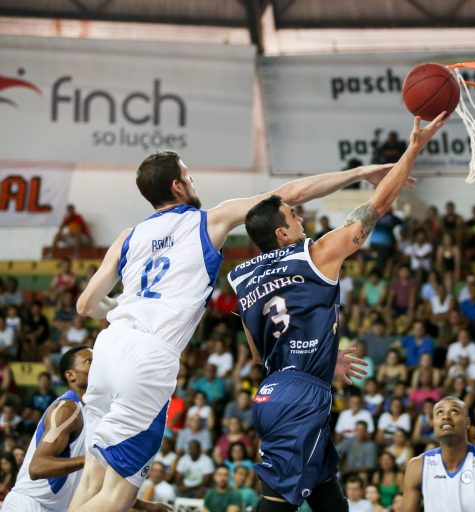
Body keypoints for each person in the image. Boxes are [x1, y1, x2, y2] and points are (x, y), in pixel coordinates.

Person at [71, 149, 403, 511]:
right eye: (188, 175)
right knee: (117, 497)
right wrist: (359, 172)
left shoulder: (128, 236)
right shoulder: (207, 221)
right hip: (148, 356)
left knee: (92, 480)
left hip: (107, 348)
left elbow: (86, 305)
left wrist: (124, 309)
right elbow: (289, 193)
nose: (193, 181)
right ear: (178, 186)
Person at [227, 113, 447, 512]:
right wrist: (413, 149)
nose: (301, 217)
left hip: (274, 390)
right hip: (300, 397)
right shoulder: (314, 255)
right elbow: (376, 206)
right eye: (294, 215)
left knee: (327, 491)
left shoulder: (242, 277)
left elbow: (259, 354)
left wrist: (322, 359)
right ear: (281, 233)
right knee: (276, 504)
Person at [5, 346, 168, 512]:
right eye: (89, 361)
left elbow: (99, 482)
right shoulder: (67, 409)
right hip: (29, 503)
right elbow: (37, 467)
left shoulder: (99, 415)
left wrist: (144, 506)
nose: (97, 366)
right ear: (71, 375)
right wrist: (92, 460)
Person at [401, 396, 475, 512]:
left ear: (467, 422)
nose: (446, 416)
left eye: (454, 411)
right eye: (439, 412)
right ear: (433, 424)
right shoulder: (417, 466)